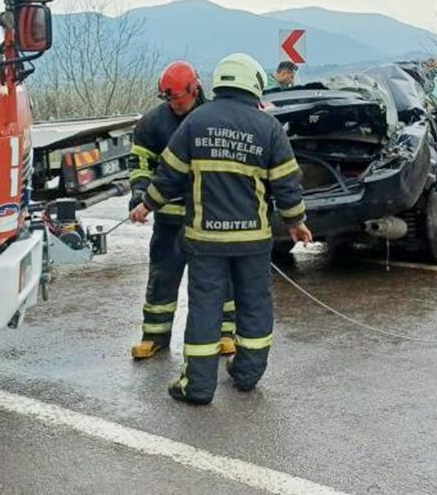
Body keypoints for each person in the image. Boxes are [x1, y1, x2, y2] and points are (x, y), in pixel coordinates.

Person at [131, 53, 311, 405]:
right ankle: (246, 375)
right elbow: (288, 184)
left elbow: (168, 176)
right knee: (255, 305)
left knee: (204, 308)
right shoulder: (268, 127)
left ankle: (197, 387)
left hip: (205, 239)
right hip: (252, 241)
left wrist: (145, 205)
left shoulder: (196, 122)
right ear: (253, 83)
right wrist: (297, 223)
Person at [127, 61, 236, 360]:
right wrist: (140, 192)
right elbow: (140, 164)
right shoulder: (152, 124)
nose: (174, 104)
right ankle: (155, 336)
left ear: (195, 89)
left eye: (178, 98)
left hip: (210, 218)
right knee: (163, 276)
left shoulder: (213, 117)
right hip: (169, 220)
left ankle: (226, 333)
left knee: (218, 279)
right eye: (168, 99)